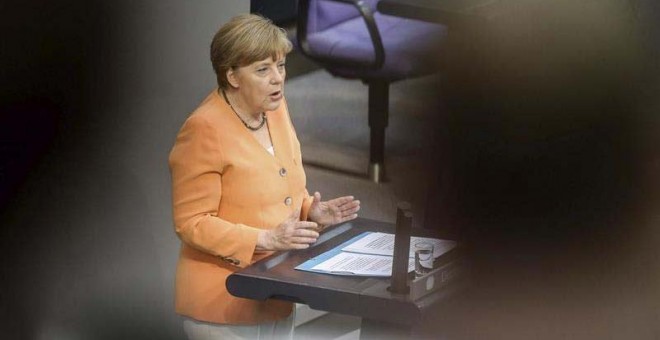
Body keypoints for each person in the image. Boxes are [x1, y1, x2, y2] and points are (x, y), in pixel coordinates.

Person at [168, 14, 360, 340]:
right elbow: (192, 223)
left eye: (281, 66)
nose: (278, 79)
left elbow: (277, 186)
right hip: (224, 305)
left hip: (276, 292)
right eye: (263, 70)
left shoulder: (275, 109)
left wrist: (309, 211)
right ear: (232, 76)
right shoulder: (203, 130)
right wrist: (266, 239)